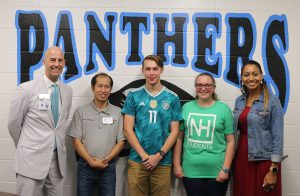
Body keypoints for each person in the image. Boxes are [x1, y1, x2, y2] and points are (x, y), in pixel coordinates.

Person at [7, 46, 73, 196]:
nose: (57, 64)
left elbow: (60, 123)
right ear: (44, 62)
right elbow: (13, 124)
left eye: (60, 60)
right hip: (31, 161)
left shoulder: (68, 91)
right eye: (52, 60)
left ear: (64, 63)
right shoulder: (26, 89)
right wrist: (26, 147)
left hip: (57, 162)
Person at [122, 55, 182, 196]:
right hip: (137, 160)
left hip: (162, 161)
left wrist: (158, 156)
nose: (151, 73)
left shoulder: (172, 98)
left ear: (161, 70)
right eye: (148, 69)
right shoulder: (133, 96)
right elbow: (127, 129)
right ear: (143, 70)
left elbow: (175, 132)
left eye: (155, 69)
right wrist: (144, 156)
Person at [173, 72, 235, 196]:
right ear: (195, 87)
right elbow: (179, 138)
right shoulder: (186, 108)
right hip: (190, 172)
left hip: (217, 172)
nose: (203, 88)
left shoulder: (224, 110)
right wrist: (176, 164)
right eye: (199, 85)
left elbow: (231, 141)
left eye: (207, 85)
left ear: (213, 87)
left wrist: (225, 169)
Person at [68, 73, 125, 196]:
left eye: (107, 87)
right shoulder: (80, 112)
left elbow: (121, 141)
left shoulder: (118, 113)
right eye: (100, 86)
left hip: (108, 167)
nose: (103, 90)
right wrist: (90, 161)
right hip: (85, 167)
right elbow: (76, 141)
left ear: (110, 89)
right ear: (93, 88)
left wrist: (106, 160)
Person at [233, 60, 284, 196]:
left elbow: (278, 137)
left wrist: (274, 170)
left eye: (255, 74)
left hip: (264, 159)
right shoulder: (239, 101)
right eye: (246, 75)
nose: (251, 78)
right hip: (242, 157)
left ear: (261, 76)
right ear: (242, 78)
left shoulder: (272, 101)